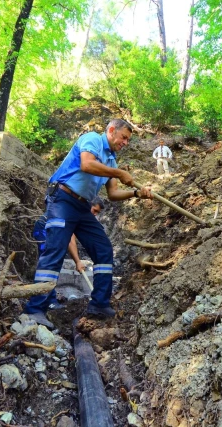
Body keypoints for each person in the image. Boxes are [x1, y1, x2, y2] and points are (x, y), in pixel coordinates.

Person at [25, 119, 152, 328]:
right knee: (55, 249)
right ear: (111, 131)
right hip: (63, 199)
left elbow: (113, 193)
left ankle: (99, 304)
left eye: (128, 140)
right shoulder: (92, 139)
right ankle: (35, 309)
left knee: (103, 248)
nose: (126, 143)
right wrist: (120, 173)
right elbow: (87, 164)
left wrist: (137, 193)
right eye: (124, 138)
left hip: (83, 206)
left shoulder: (111, 160)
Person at [31, 197, 105, 310]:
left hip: (49, 228)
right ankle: (41, 304)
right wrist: (77, 261)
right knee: (48, 264)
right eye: (94, 210)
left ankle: (49, 298)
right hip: (44, 229)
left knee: (53, 263)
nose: (94, 214)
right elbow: (71, 240)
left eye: (97, 212)